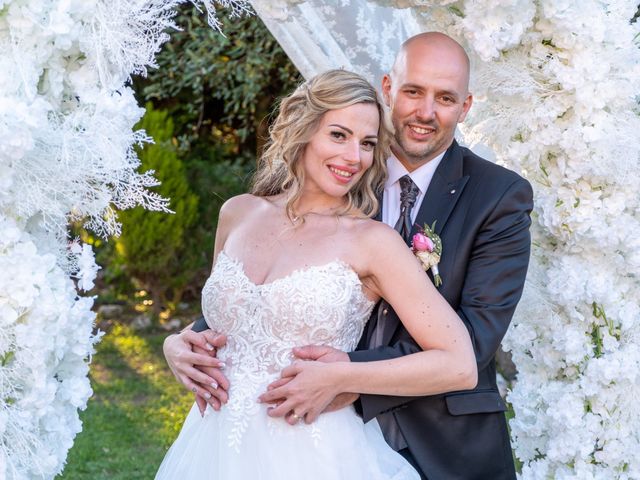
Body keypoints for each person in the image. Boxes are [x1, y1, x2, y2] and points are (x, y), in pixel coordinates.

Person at [166, 32, 534, 479]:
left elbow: (470, 348)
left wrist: (347, 377)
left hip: (430, 433)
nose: (425, 111)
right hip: (225, 439)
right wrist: (177, 343)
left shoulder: (497, 196)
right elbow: (246, 308)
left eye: (445, 97)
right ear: (387, 89)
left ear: (466, 105)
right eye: (413, 91)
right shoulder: (283, 200)